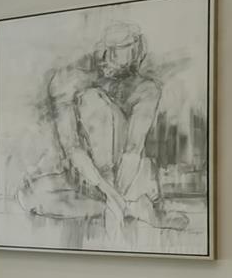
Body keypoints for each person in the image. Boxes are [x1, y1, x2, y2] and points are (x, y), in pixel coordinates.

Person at [17, 21, 188, 241]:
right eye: (115, 54)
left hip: (128, 177)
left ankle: (130, 204)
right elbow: (72, 147)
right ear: (104, 51)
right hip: (90, 179)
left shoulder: (147, 89)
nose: (116, 65)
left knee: (94, 100)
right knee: (28, 196)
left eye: (129, 54)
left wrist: (115, 193)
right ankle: (134, 208)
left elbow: (133, 150)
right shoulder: (69, 80)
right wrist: (111, 195)